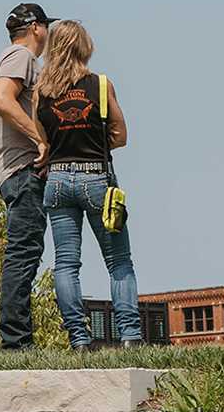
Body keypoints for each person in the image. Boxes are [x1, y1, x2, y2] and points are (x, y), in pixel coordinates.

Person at [34, 20, 143, 351]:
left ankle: (79, 341)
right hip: (96, 179)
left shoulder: (42, 92)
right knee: (119, 261)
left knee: (66, 264)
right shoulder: (101, 85)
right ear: (85, 47)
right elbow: (121, 136)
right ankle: (130, 337)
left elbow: (44, 144)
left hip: (56, 181)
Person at [0, 2, 57, 351]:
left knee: (25, 252)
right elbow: (2, 100)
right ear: (35, 28)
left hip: (17, 173)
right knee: (23, 253)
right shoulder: (21, 58)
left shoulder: (19, 59)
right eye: (46, 26)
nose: (48, 34)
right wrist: (40, 138)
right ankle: (15, 343)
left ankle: (16, 340)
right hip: (24, 172)